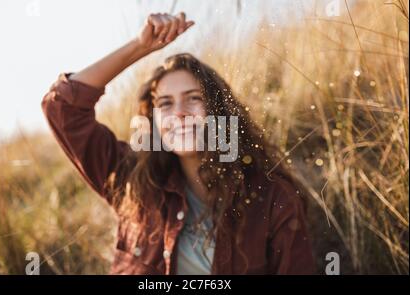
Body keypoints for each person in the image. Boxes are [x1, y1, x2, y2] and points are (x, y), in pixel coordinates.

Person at [41, 12, 315, 275]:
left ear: (218, 110)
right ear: (155, 121)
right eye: (165, 104)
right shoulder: (132, 180)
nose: (179, 112)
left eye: (193, 98)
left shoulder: (272, 200)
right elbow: (62, 107)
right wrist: (140, 47)